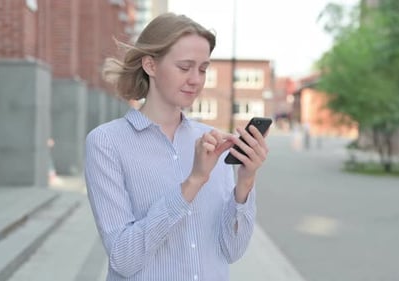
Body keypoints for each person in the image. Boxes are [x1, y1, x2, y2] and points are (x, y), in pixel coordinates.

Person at [84, 12, 269, 281]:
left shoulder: (212, 142)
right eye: (185, 67)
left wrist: (245, 182)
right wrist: (193, 182)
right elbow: (123, 259)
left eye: (203, 68)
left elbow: (232, 250)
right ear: (151, 65)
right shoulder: (107, 143)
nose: (196, 79)